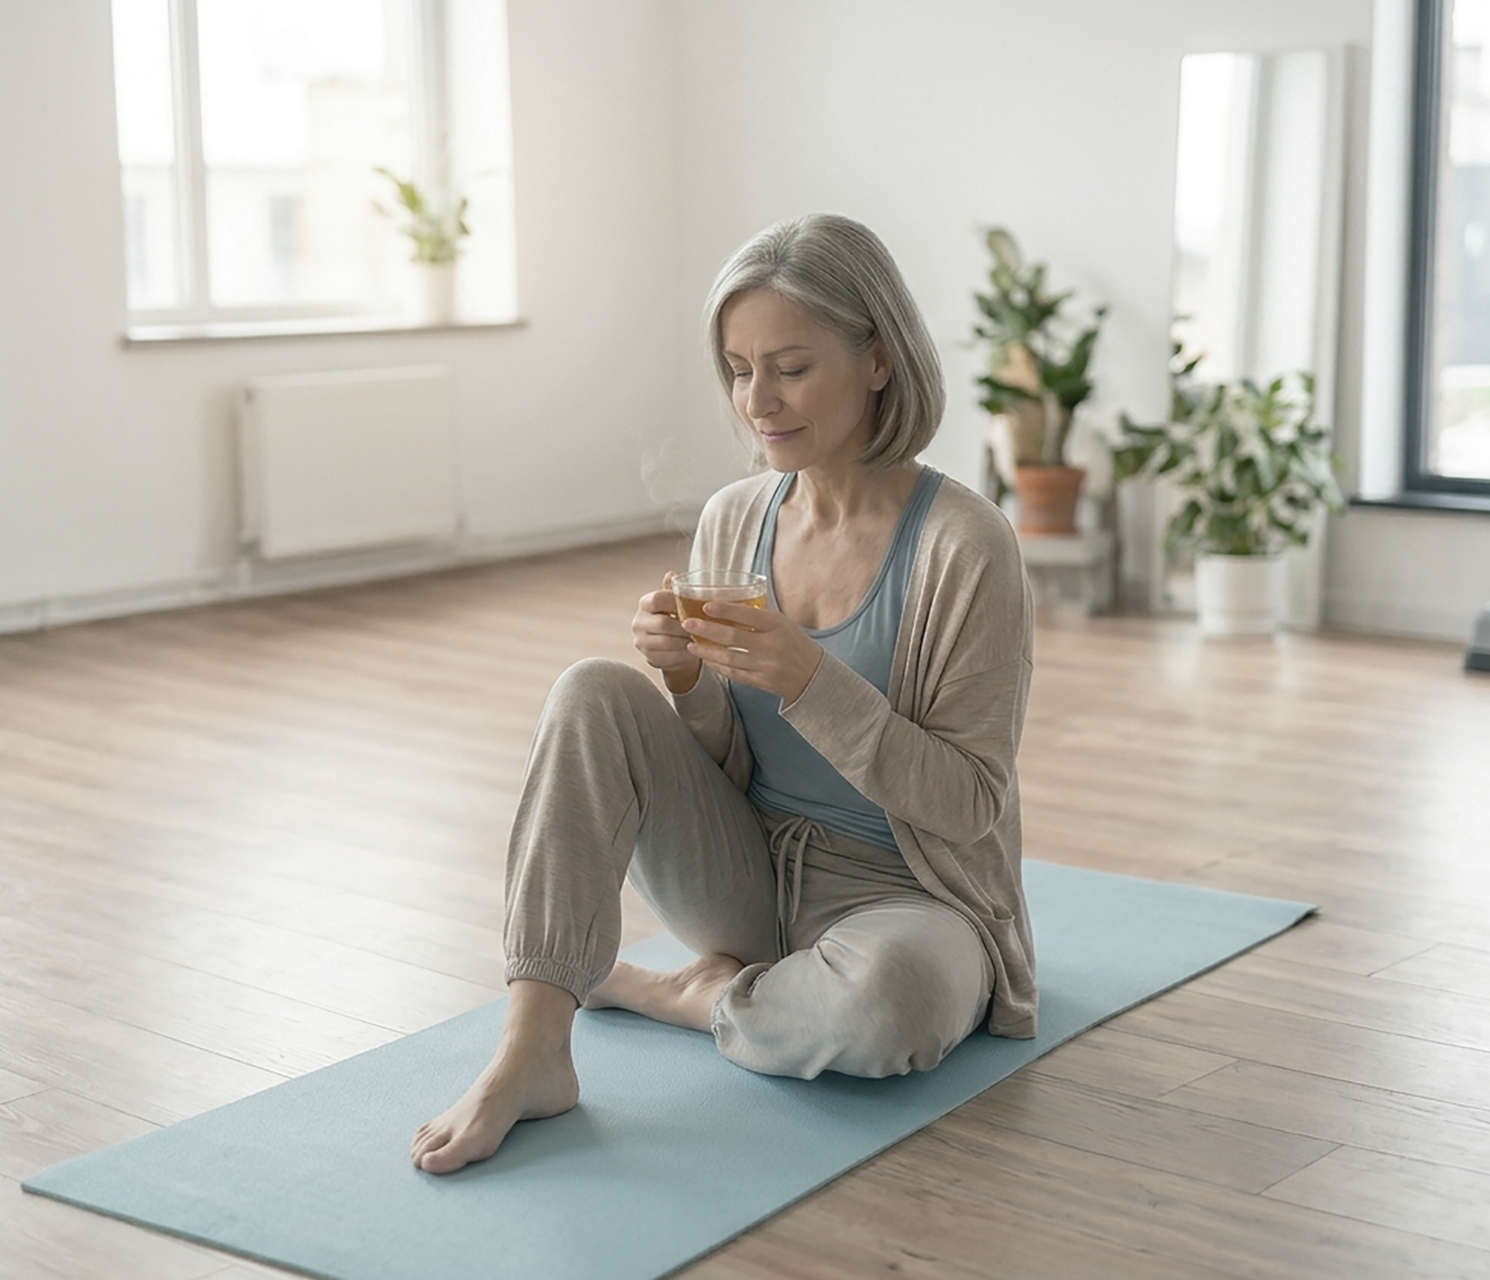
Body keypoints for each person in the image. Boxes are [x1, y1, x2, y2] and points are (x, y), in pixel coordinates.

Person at [411, 214, 1036, 1175]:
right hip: (743, 879)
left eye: (790, 367)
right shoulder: (735, 518)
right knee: (591, 690)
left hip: (909, 899)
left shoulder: (967, 546)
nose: (759, 400)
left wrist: (809, 677)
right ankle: (533, 1046)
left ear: (878, 359)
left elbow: (969, 803)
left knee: (889, 1007)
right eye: (740, 370)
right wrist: (686, 677)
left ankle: (687, 996)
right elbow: (725, 766)